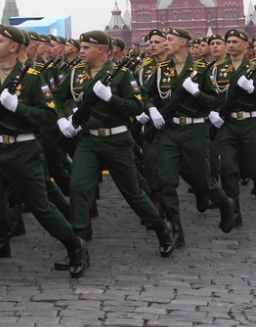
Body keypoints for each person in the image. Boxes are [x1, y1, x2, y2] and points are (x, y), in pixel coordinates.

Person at [0, 25, 88, 291]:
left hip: (24, 150)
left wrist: (17, 108)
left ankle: (75, 244)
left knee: (41, 207)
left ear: (15, 47)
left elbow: (47, 116)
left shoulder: (31, 78)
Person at [53, 30, 174, 265]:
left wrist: (111, 98)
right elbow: (57, 97)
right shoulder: (76, 72)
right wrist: (63, 118)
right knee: (78, 188)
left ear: (101, 49)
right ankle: (78, 247)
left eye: (86, 47)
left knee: (132, 192)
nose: (81, 51)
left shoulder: (121, 73)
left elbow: (136, 106)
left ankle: (161, 226)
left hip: (116, 140)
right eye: (81, 47)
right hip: (88, 140)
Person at [139, 26, 236, 246]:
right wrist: (152, 109)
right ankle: (176, 229)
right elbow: (144, 93)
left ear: (183, 42)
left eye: (169, 39)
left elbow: (216, 101)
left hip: (194, 131)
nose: (165, 43)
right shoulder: (162, 69)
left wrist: (197, 93)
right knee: (166, 180)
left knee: (203, 179)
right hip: (168, 131)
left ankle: (224, 202)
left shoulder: (200, 69)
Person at [208, 29, 255, 226]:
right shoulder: (217, 69)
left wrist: (253, 90)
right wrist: (211, 111)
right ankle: (234, 212)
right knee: (227, 168)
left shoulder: (253, 67)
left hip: (251, 123)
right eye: (228, 42)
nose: (231, 45)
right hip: (227, 124)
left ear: (246, 45)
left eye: (235, 41)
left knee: (253, 166)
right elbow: (211, 95)